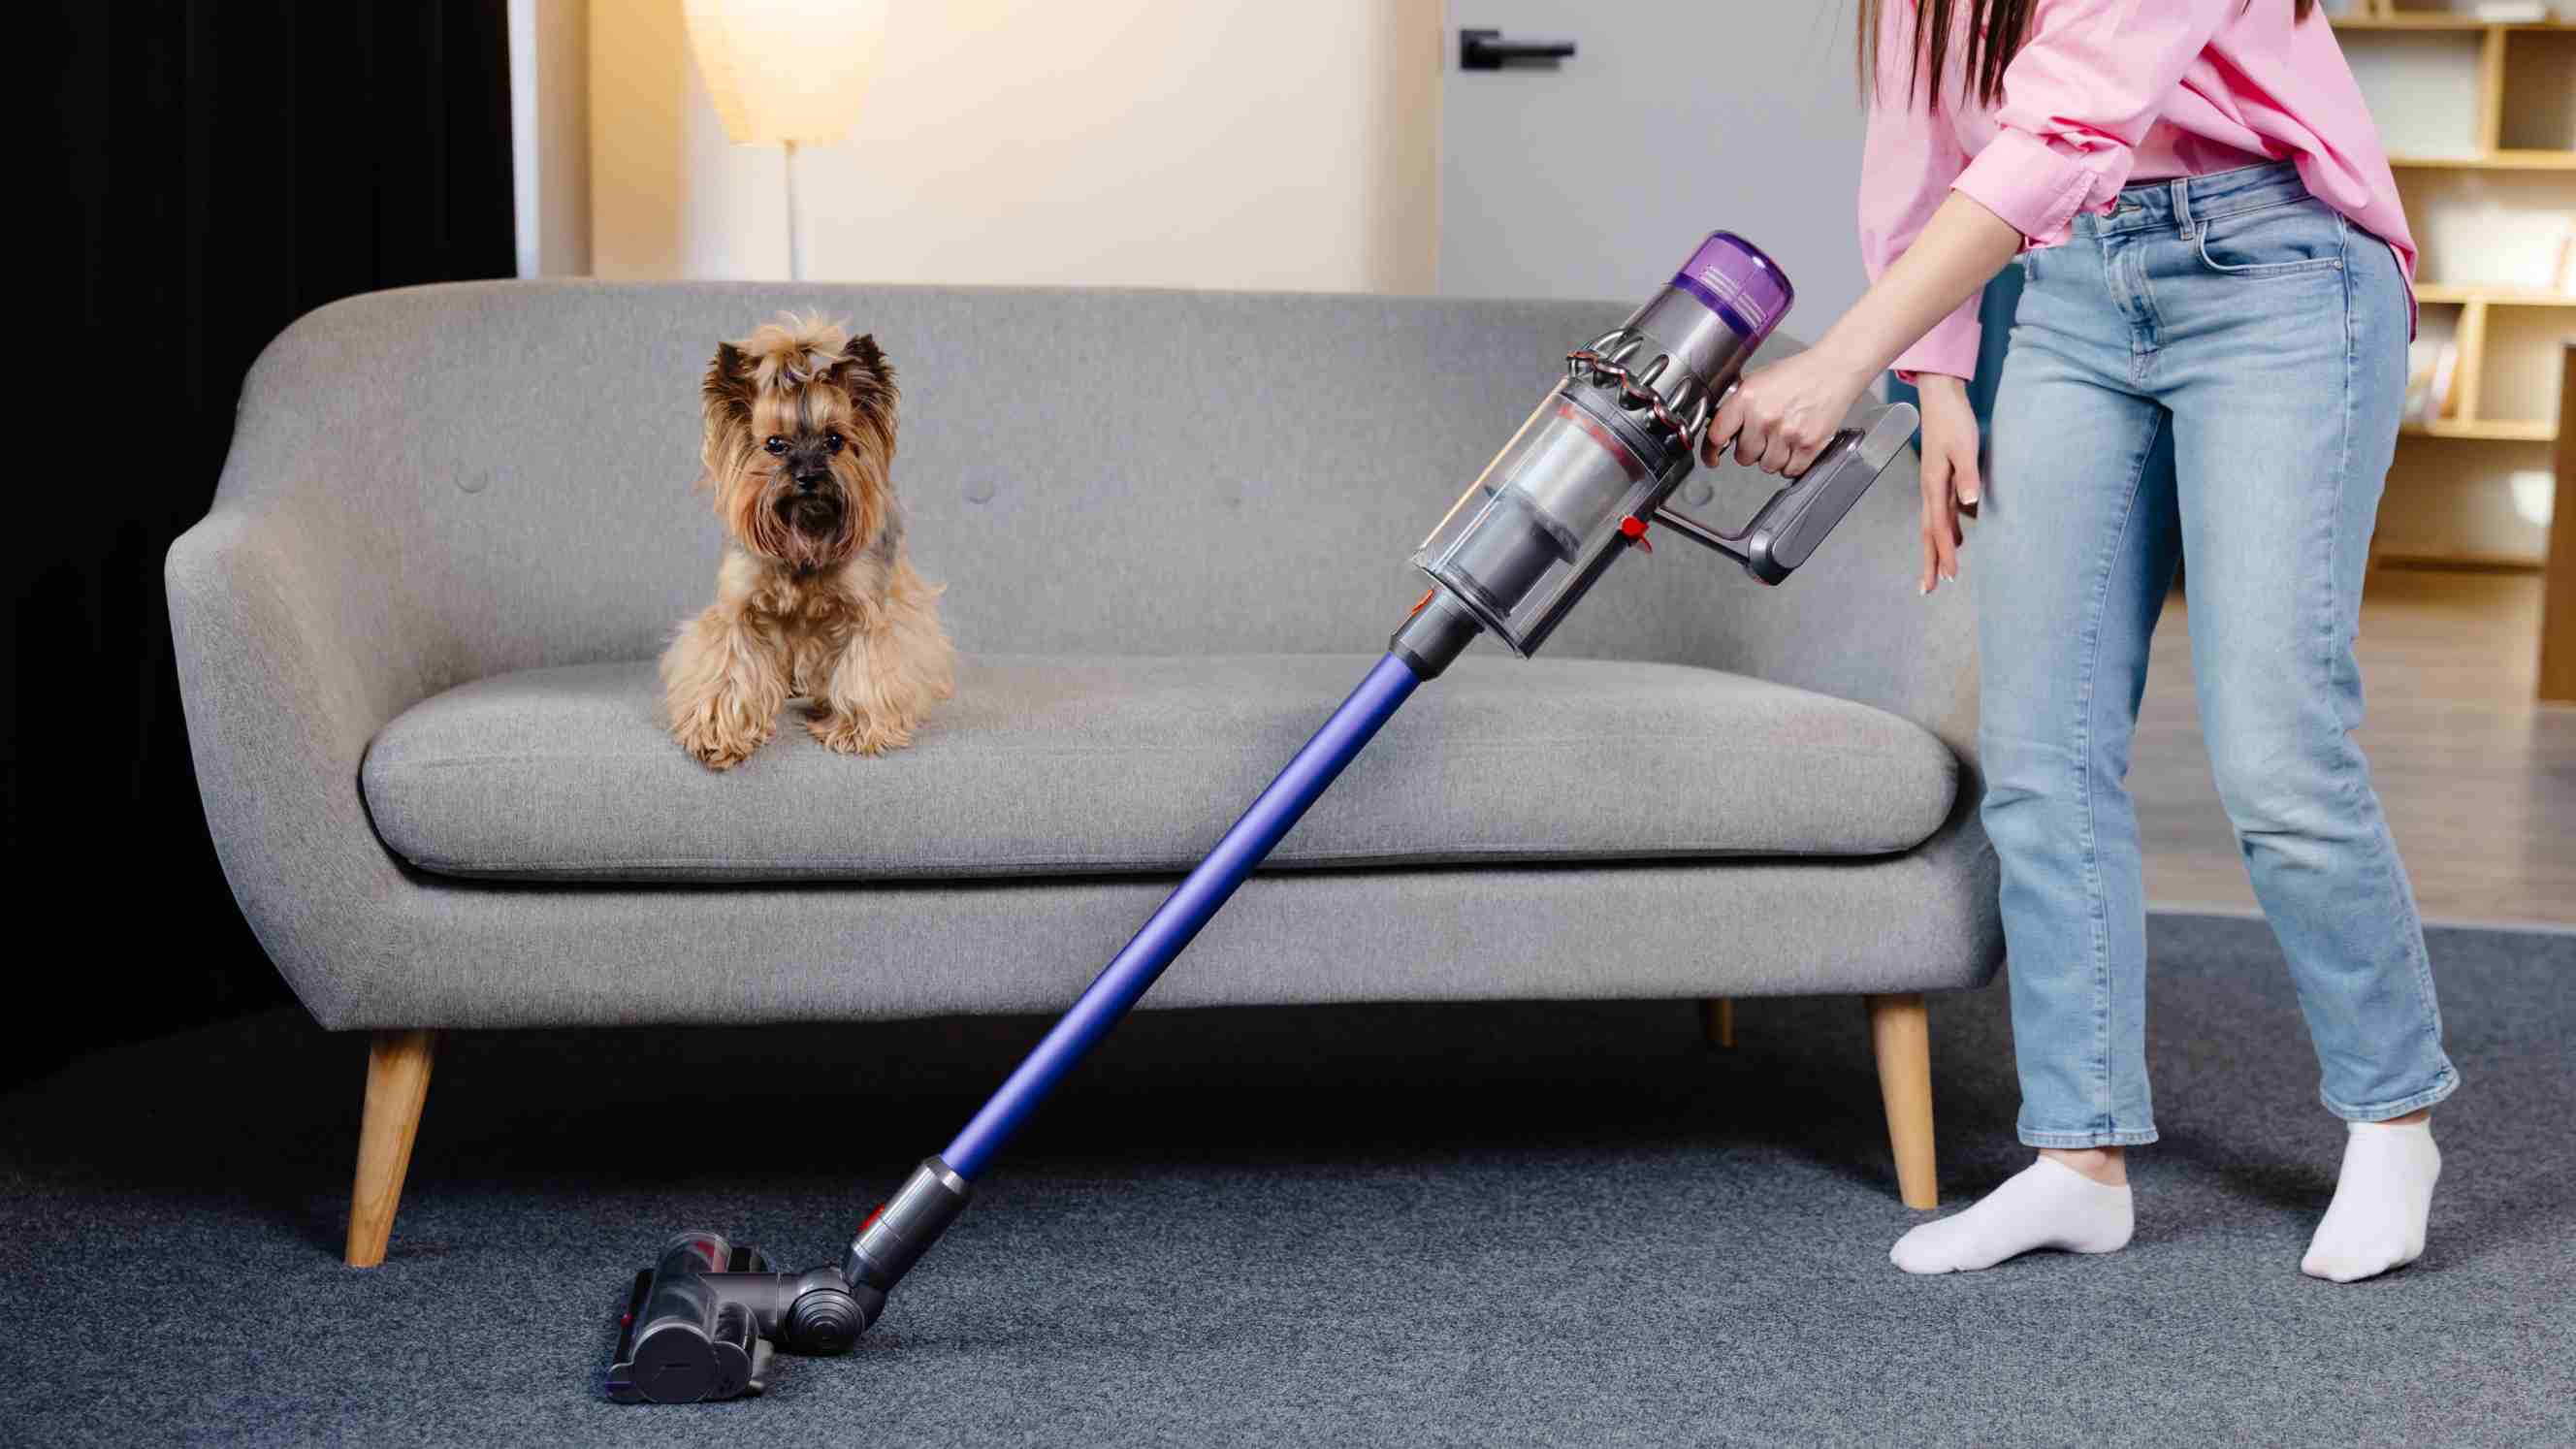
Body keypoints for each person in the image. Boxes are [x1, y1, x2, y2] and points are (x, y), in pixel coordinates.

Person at [1704, 0, 2457, 1280]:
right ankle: (2078, 1156)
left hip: (2278, 271)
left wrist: (1840, 363)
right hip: (2073, 288)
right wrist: (1935, 380)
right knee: (2040, 751)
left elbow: (2064, 116)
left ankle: (2392, 1119)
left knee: (2275, 748)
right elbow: (1919, 118)